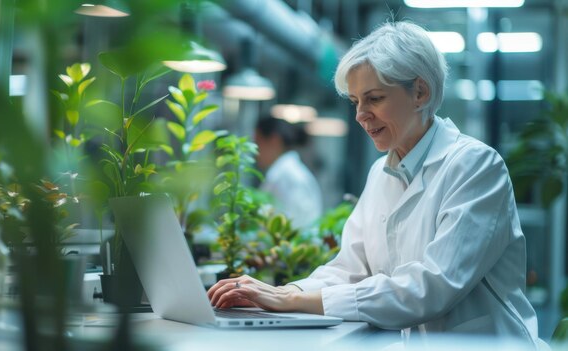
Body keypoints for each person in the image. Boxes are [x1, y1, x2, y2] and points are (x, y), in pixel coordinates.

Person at [208, 21, 544, 346]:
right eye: (355, 101)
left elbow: (431, 288)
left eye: (375, 98)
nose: (360, 115)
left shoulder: (474, 166)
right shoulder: (380, 173)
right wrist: (288, 292)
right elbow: (350, 269)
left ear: (420, 92)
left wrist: (294, 302)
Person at [254, 116, 323, 229]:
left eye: (257, 143)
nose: (255, 152)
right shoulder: (286, 172)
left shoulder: (287, 176)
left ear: (274, 141)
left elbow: (294, 225)